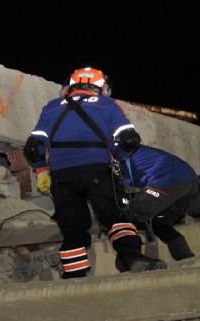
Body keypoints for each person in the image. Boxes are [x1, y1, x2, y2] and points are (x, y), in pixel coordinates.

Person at [23, 67, 167, 279]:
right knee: (117, 218)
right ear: (102, 87)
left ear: (69, 86)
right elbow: (129, 139)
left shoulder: (51, 108)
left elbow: (33, 148)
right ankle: (131, 257)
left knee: (72, 226)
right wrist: (116, 156)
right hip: (98, 171)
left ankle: (75, 276)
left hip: (62, 175)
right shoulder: (107, 105)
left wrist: (42, 171)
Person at [115, 144, 198, 261]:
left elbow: (122, 186)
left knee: (127, 217)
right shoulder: (130, 149)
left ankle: (132, 262)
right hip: (190, 180)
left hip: (169, 180)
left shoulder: (116, 155)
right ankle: (187, 260)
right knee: (161, 224)